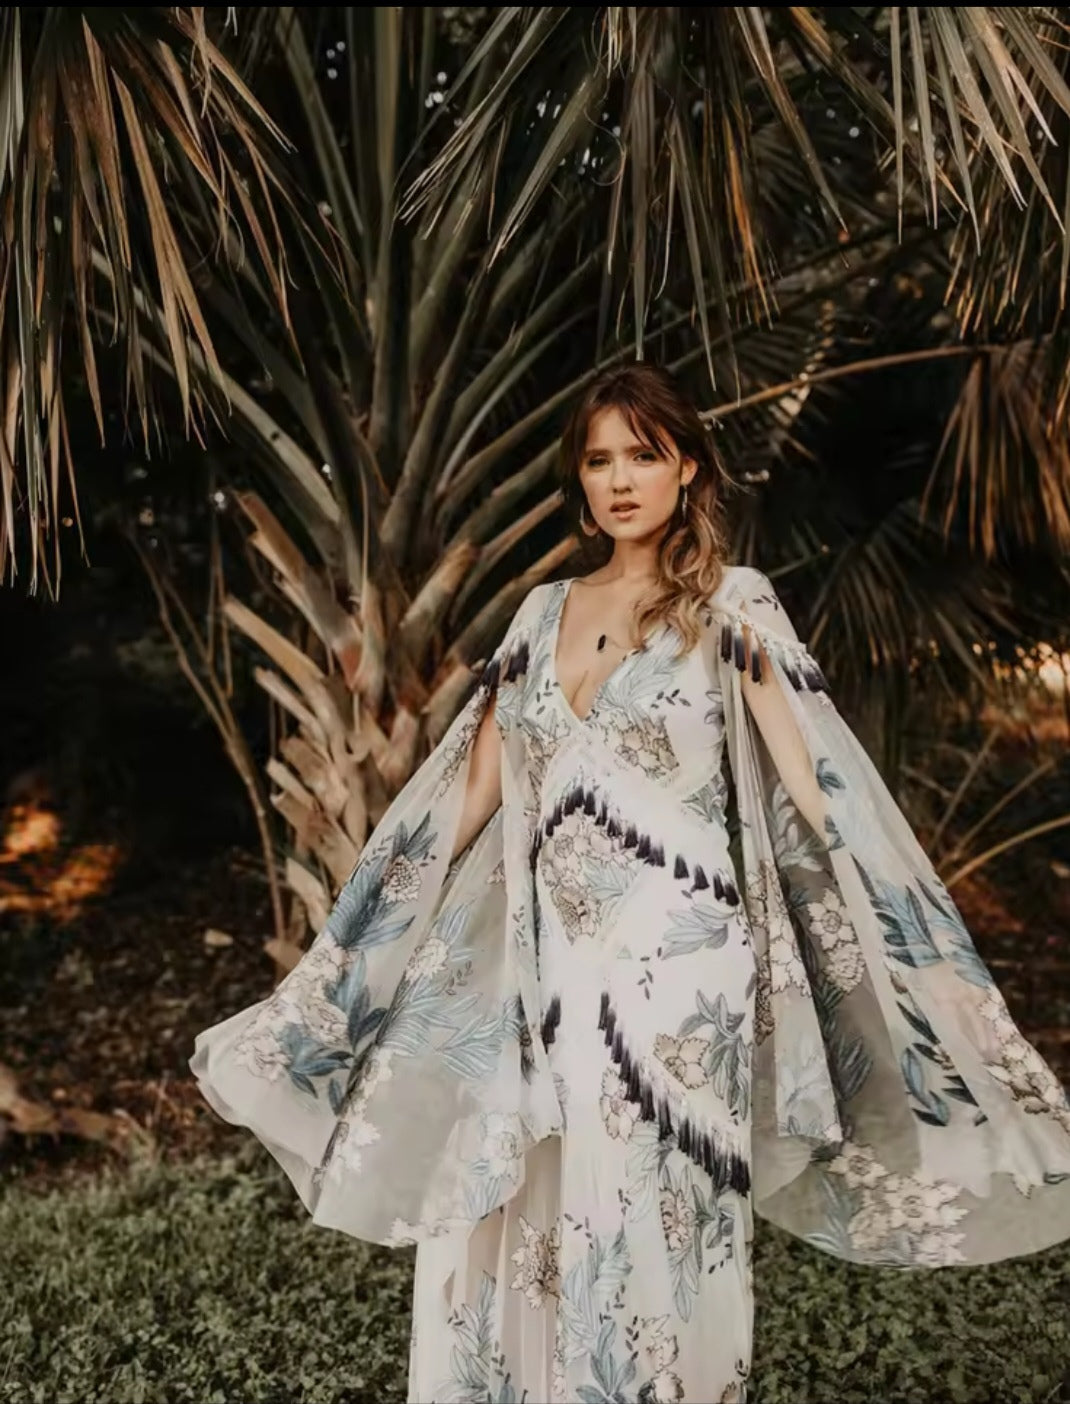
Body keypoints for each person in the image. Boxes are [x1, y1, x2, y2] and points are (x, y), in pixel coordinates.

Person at [191, 363, 1070, 1404]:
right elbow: (469, 795)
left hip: (677, 988)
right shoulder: (536, 615)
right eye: (598, 459)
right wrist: (356, 955)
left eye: (641, 455)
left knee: (647, 1214)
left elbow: (810, 774)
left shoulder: (732, 607)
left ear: (686, 465)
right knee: (508, 1206)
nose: (617, 480)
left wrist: (905, 933)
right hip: (540, 977)